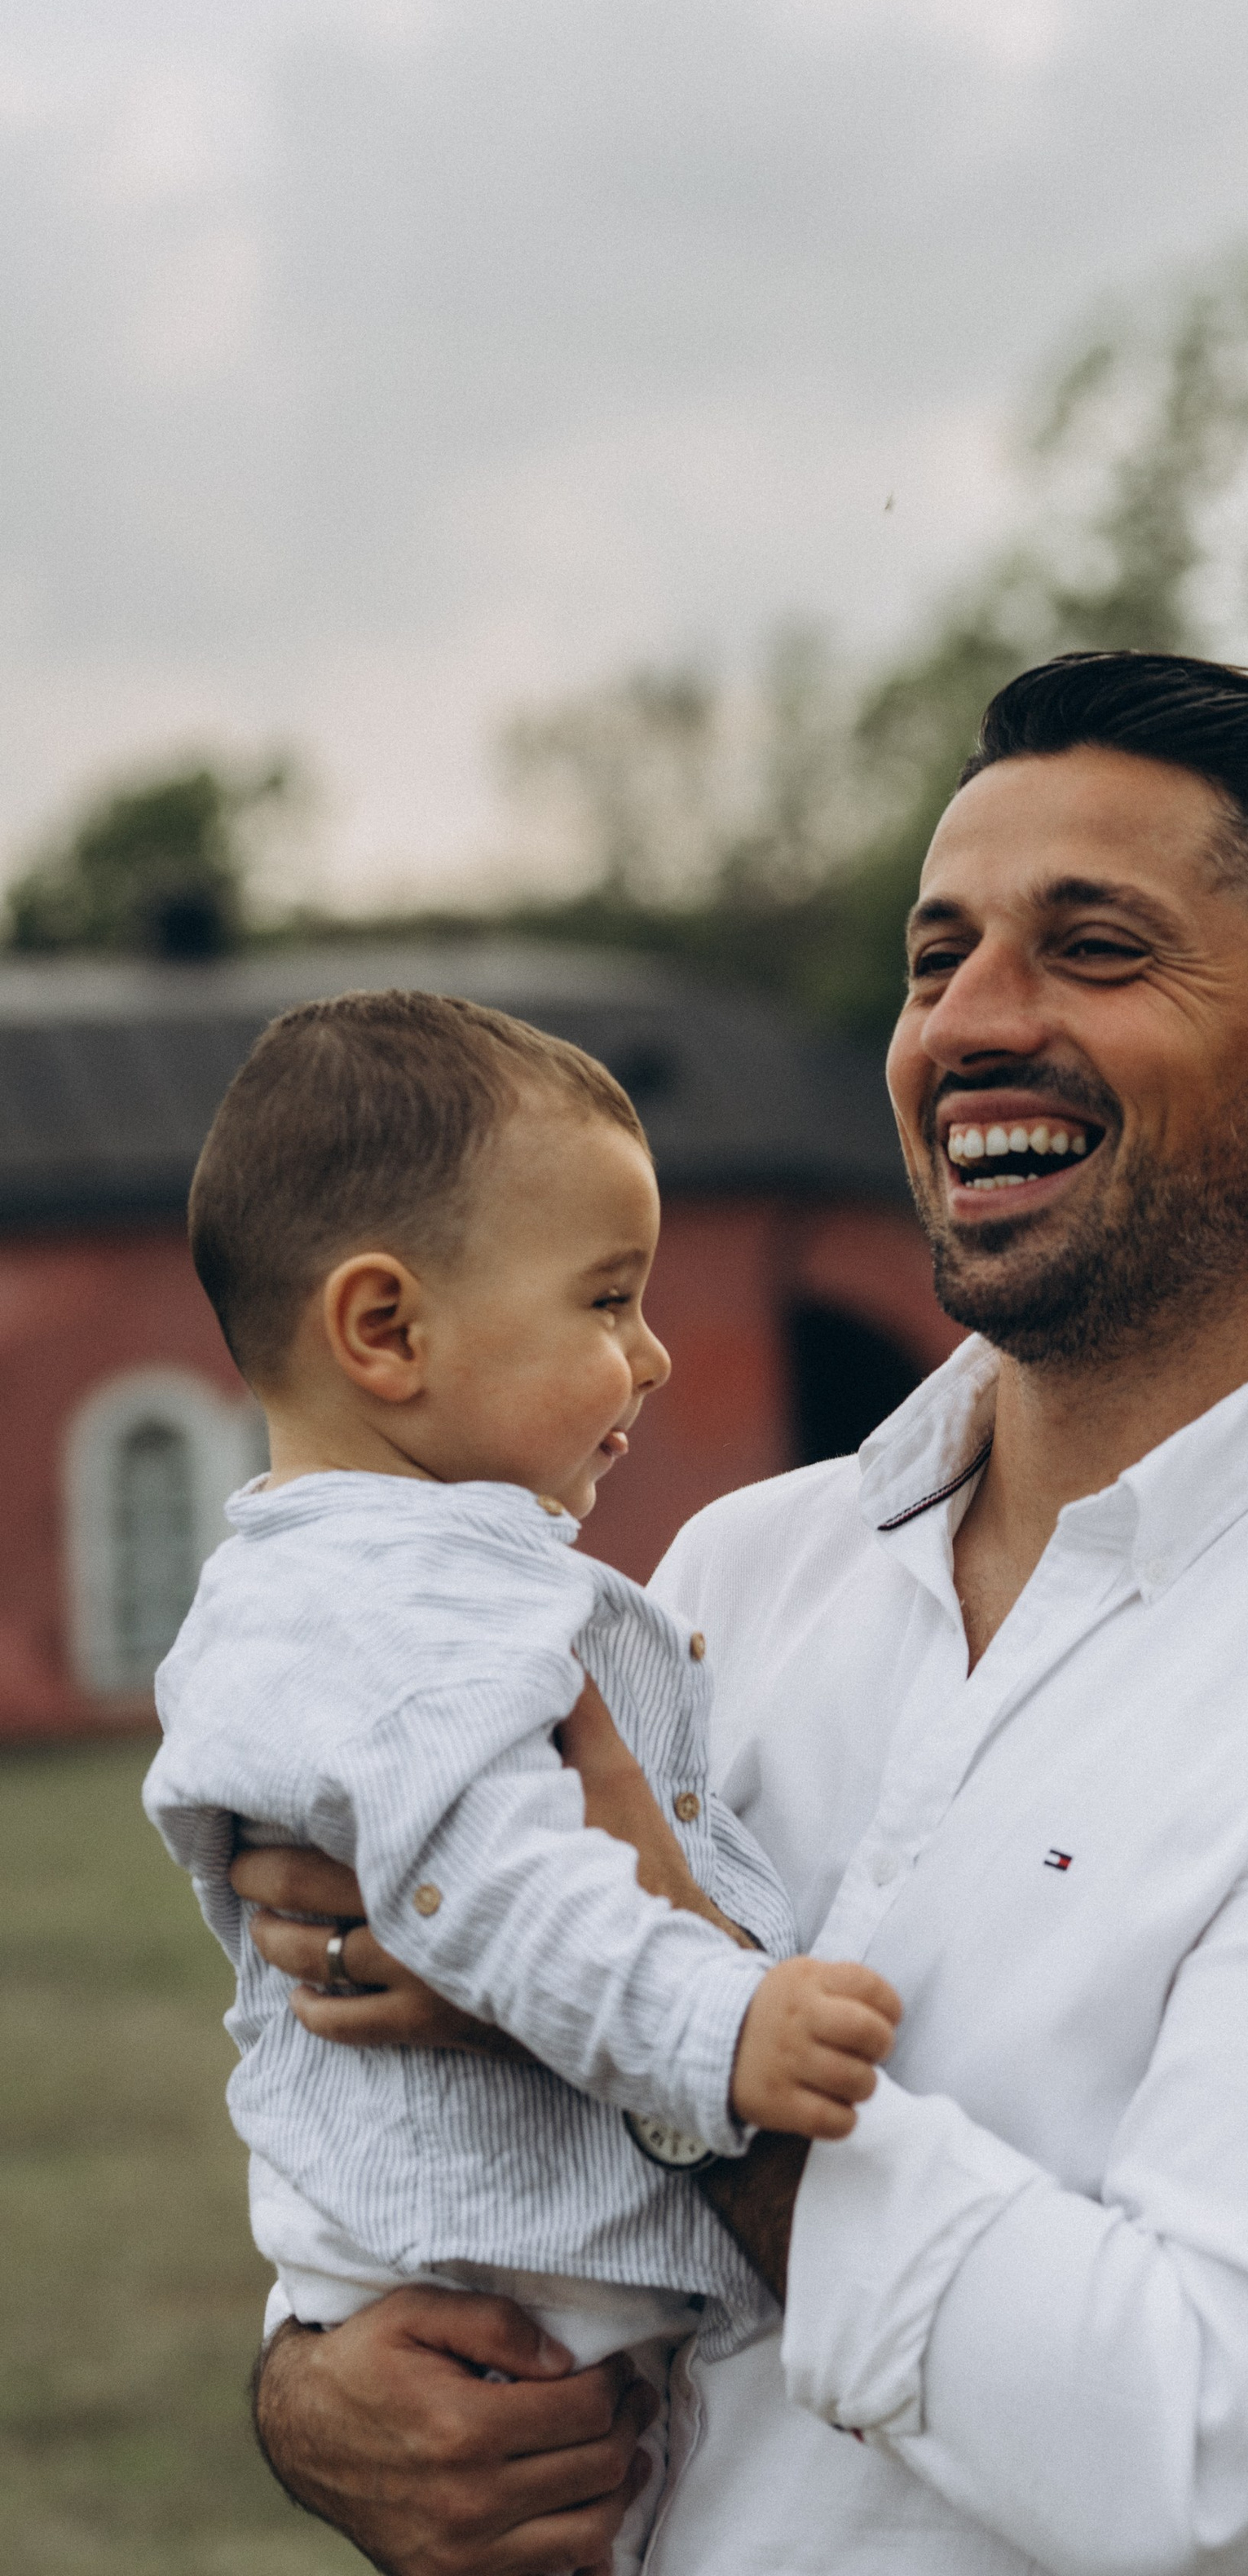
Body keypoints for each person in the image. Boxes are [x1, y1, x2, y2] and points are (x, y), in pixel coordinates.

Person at [229, 650, 1248, 2576]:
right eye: (933, 955)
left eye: (1094, 949)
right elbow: (409, 2095)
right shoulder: (723, 1569)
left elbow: (1190, 2459)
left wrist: (674, 2017)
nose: (968, 1024)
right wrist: (317, 2389)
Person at [145, 991, 902, 2576]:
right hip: (518, 2293)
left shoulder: (370, 1572)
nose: (654, 1351)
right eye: (608, 1300)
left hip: (517, 2274)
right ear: (386, 1333)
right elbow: (496, 1884)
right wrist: (724, 2025)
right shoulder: (397, 1611)